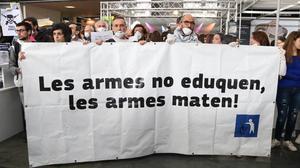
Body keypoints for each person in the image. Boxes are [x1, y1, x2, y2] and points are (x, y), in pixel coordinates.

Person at [272, 31, 300, 151]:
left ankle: (288, 140)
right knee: (282, 114)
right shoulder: (282, 53)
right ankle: (277, 139)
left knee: (293, 115)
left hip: (298, 89)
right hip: (284, 87)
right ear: (293, 40)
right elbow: (279, 71)